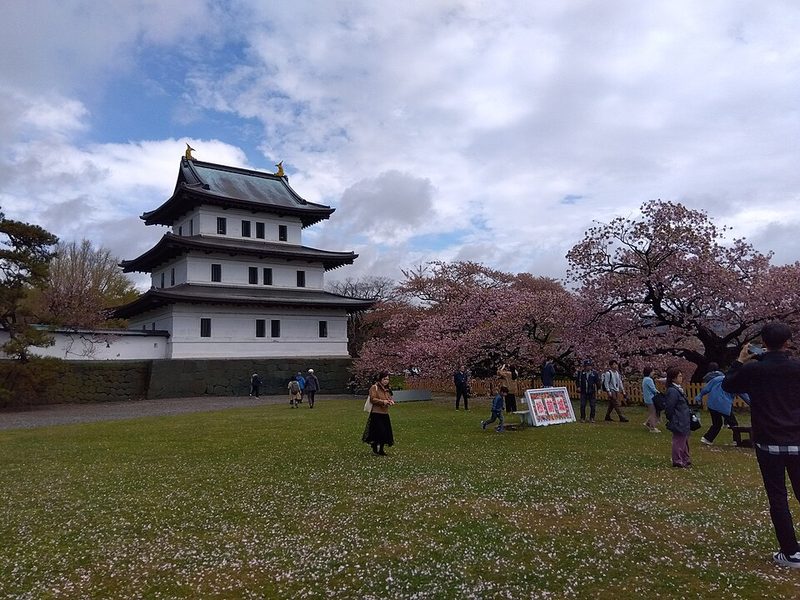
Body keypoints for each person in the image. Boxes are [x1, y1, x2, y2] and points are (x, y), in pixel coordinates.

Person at [722, 322, 800, 568]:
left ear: (763, 343)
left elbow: (728, 385)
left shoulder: (755, 370)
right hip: (798, 440)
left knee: (778, 496)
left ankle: (790, 552)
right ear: (787, 342)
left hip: (768, 441)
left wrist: (740, 360)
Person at [694, 375, 750, 445]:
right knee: (734, 424)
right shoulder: (737, 383)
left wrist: (700, 395)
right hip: (724, 404)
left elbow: (707, 388)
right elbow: (745, 396)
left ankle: (707, 438)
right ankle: (736, 441)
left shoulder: (719, 378)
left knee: (717, 423)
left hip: (712, 403)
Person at [664, 365, 692, 468]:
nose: (681, 378)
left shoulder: (678, 390)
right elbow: (669, 407)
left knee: (684, 440)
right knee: (679, 440)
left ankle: (685, 458)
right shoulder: (672, 391)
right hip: (678, 418)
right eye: (679, 376)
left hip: (683, 418)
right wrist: (672, 417)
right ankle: (677, 460)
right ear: (673, 378)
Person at [362, 371, 395, 455]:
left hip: (384, 413)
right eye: (384, 379)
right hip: (376, 413)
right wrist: (383, 402)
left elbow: (388, 397)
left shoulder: (387, 389)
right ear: (380, 379)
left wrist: (390, 401)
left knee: (385, 431)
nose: (386, 381)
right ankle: (375, 445)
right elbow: (373, 399)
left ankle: (381, 449)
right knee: (378, 431)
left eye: (387, 379)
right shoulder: (374, 387)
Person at [704, 362, 739, 429]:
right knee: (728, 409)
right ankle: (727, 423)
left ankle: (719, 424)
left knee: (716, 412)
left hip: (714, 395)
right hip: (723, 393)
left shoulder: (707, 376)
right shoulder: (721, 374)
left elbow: (705, 383)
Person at [641, 366, 661, 432]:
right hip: (650, 398)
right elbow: (653, 389)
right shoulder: (649, 379)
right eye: (652, 371)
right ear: (649, 372)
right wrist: (659, 393)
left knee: (652, 412)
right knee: (653, 413)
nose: (653, 373)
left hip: (647, 398)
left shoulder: (644, 379)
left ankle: (647, 423)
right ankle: (652, 428)